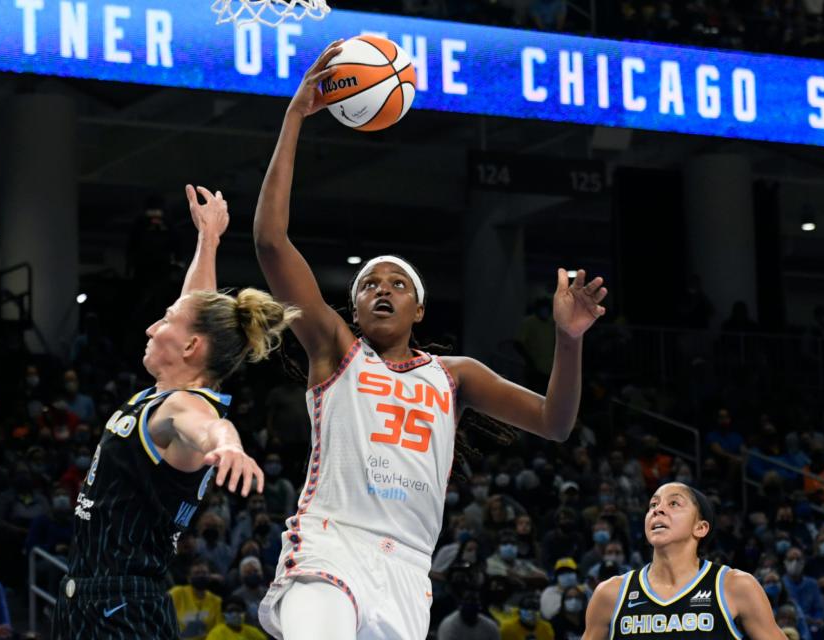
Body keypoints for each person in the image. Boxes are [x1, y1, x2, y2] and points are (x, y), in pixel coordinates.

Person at [253, 41, 608, 640]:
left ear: (420, 308)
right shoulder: (337, 350)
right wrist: (294, 117)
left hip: (409, 570)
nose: (381, 291)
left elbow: (555, 423)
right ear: (355, 309)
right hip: (329, 545)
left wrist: (569, 340)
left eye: (397, 284)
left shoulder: (454, 376)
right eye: (368, 285)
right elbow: (270, 243)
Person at [52, 186, 298, 639]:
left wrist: (229, 447)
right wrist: (208, 240)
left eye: (162, 321)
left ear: (189, 347)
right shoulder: (171, 389)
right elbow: (194, 308)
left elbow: (210, 428)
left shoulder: (183, 406)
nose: (151, 327)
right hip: (91, 599)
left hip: (120, 608)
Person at [582, 482, 786, 639]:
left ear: (700, 528)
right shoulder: (610, 593)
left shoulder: (735, 586)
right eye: (653, 504)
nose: (657, 510)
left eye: (674, 503)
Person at [170, 560, 223, 640]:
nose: (201, 576)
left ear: (209, 577)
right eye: (196, 573)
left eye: (204, 573)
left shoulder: (217, 601)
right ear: (189, 578)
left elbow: (218, 630)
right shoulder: (177, 593)